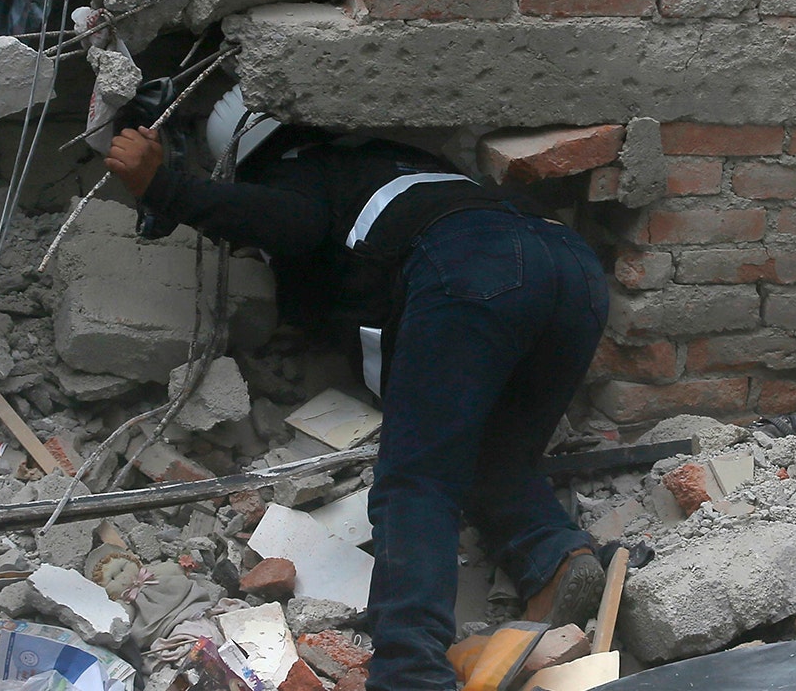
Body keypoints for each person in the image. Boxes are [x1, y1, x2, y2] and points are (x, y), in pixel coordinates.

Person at [104, 86, 612, 691]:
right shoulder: (403, 162)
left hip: (470, 269)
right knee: (493, 449)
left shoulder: (300, 171)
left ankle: (410, 673)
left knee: (417, 479)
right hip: (571, 269)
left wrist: (164, 188)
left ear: (253, 158)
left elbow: (292, 221)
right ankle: (554, 556)